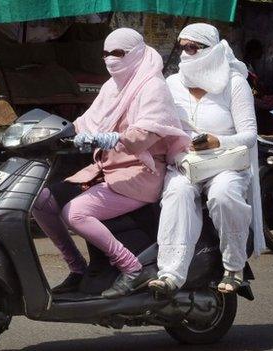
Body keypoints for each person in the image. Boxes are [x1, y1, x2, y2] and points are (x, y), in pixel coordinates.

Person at [31, 28, 189, 299]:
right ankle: (77, 268)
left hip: (140, 173)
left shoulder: (153, 86)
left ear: (136, 53)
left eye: (118, 53)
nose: (110, 59)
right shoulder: (112, 85)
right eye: (105, 53)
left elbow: (143, 137)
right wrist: (52, 132)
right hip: (105, 169)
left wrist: (111, 138)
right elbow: (86, 122)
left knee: (75, 213)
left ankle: (133, 267)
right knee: (41, 202)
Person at [148, 23, 265, 295]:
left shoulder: (234, 83)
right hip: (185, 164)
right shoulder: (172, 83)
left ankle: (234, 266)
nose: (185, 54)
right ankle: (170, 274)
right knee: (176, 194)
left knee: (224, 195)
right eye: (182, 47)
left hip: (225, 164)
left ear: (210, 50)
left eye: (192, 47)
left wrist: (218, 140)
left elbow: (249, 136)